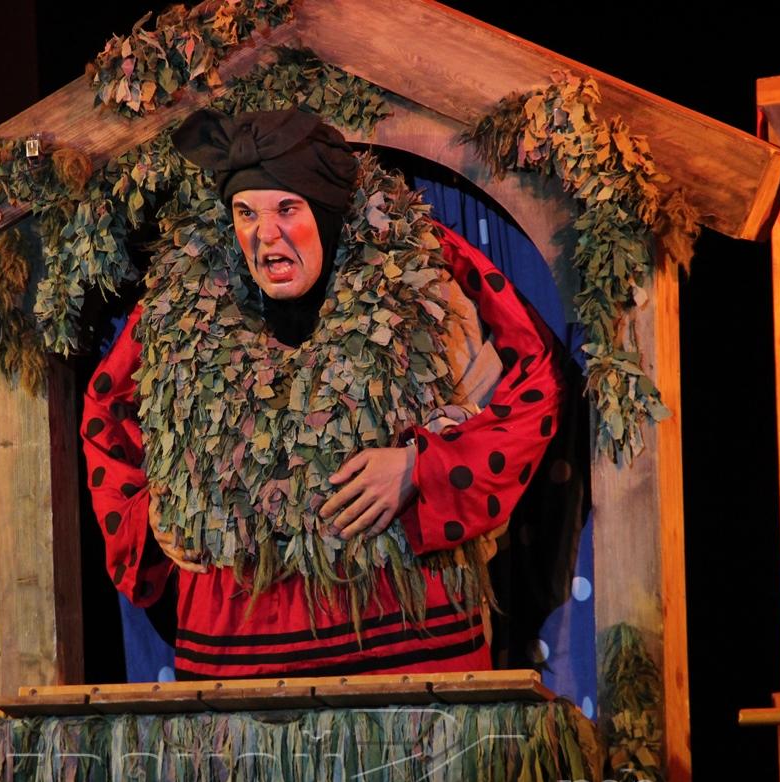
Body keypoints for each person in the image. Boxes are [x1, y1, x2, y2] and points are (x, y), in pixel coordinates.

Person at [82, 107, 562, 679]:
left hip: (406, 656)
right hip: (236, 665)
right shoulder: (180, 299)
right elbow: (104, 410)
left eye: (287, 208)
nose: (265, 234)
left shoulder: (419, 271)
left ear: (327, 210)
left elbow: (536, 377)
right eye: (246, 213)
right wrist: (152, 513)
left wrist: (423, 467)